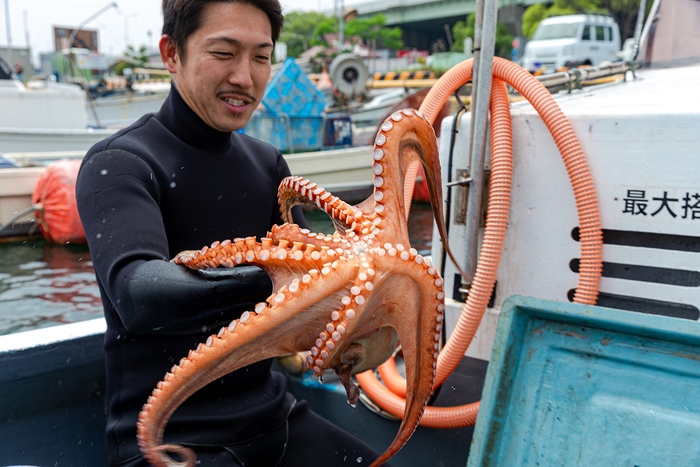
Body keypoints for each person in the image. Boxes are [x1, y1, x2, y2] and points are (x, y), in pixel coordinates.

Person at [76, 1, 391, 466]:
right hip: (169, 442)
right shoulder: (120, 164)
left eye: (261, 57)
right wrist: (277, 278)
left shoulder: (267, 165)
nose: (245, 77)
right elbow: (139, 295)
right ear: (171, 53)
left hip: (275, 418)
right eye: (224, 53)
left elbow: (319, 298)